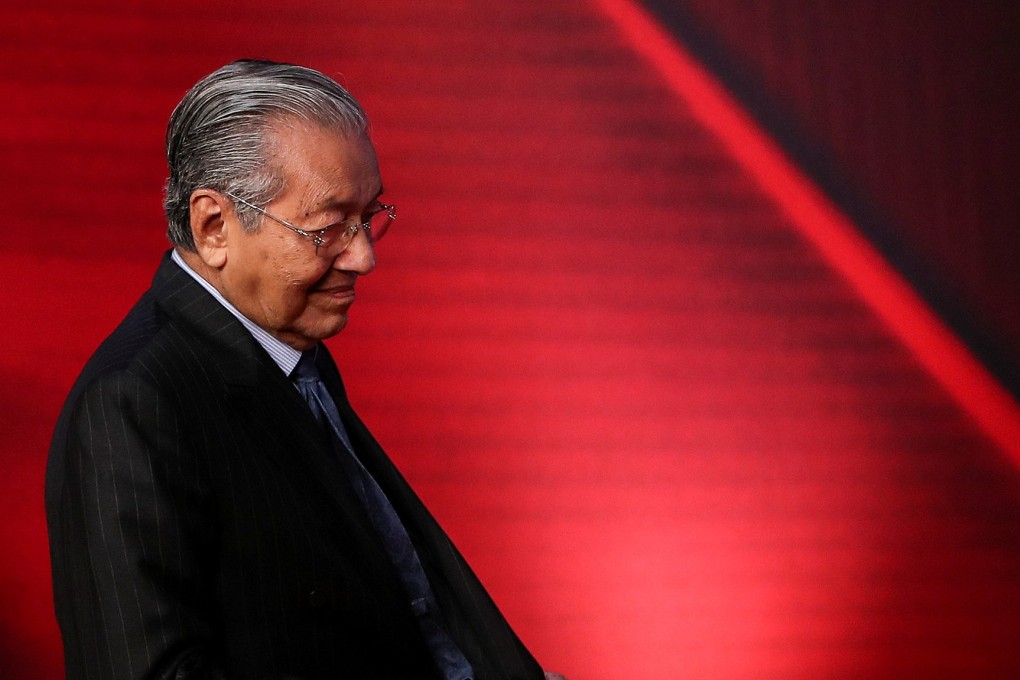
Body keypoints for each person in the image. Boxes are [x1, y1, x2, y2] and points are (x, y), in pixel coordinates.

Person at [46, 59, 560, 680]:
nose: (363, 257)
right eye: (327, 229)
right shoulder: (134, 401)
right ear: (214, 226)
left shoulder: (285, 343)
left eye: (368, 217)